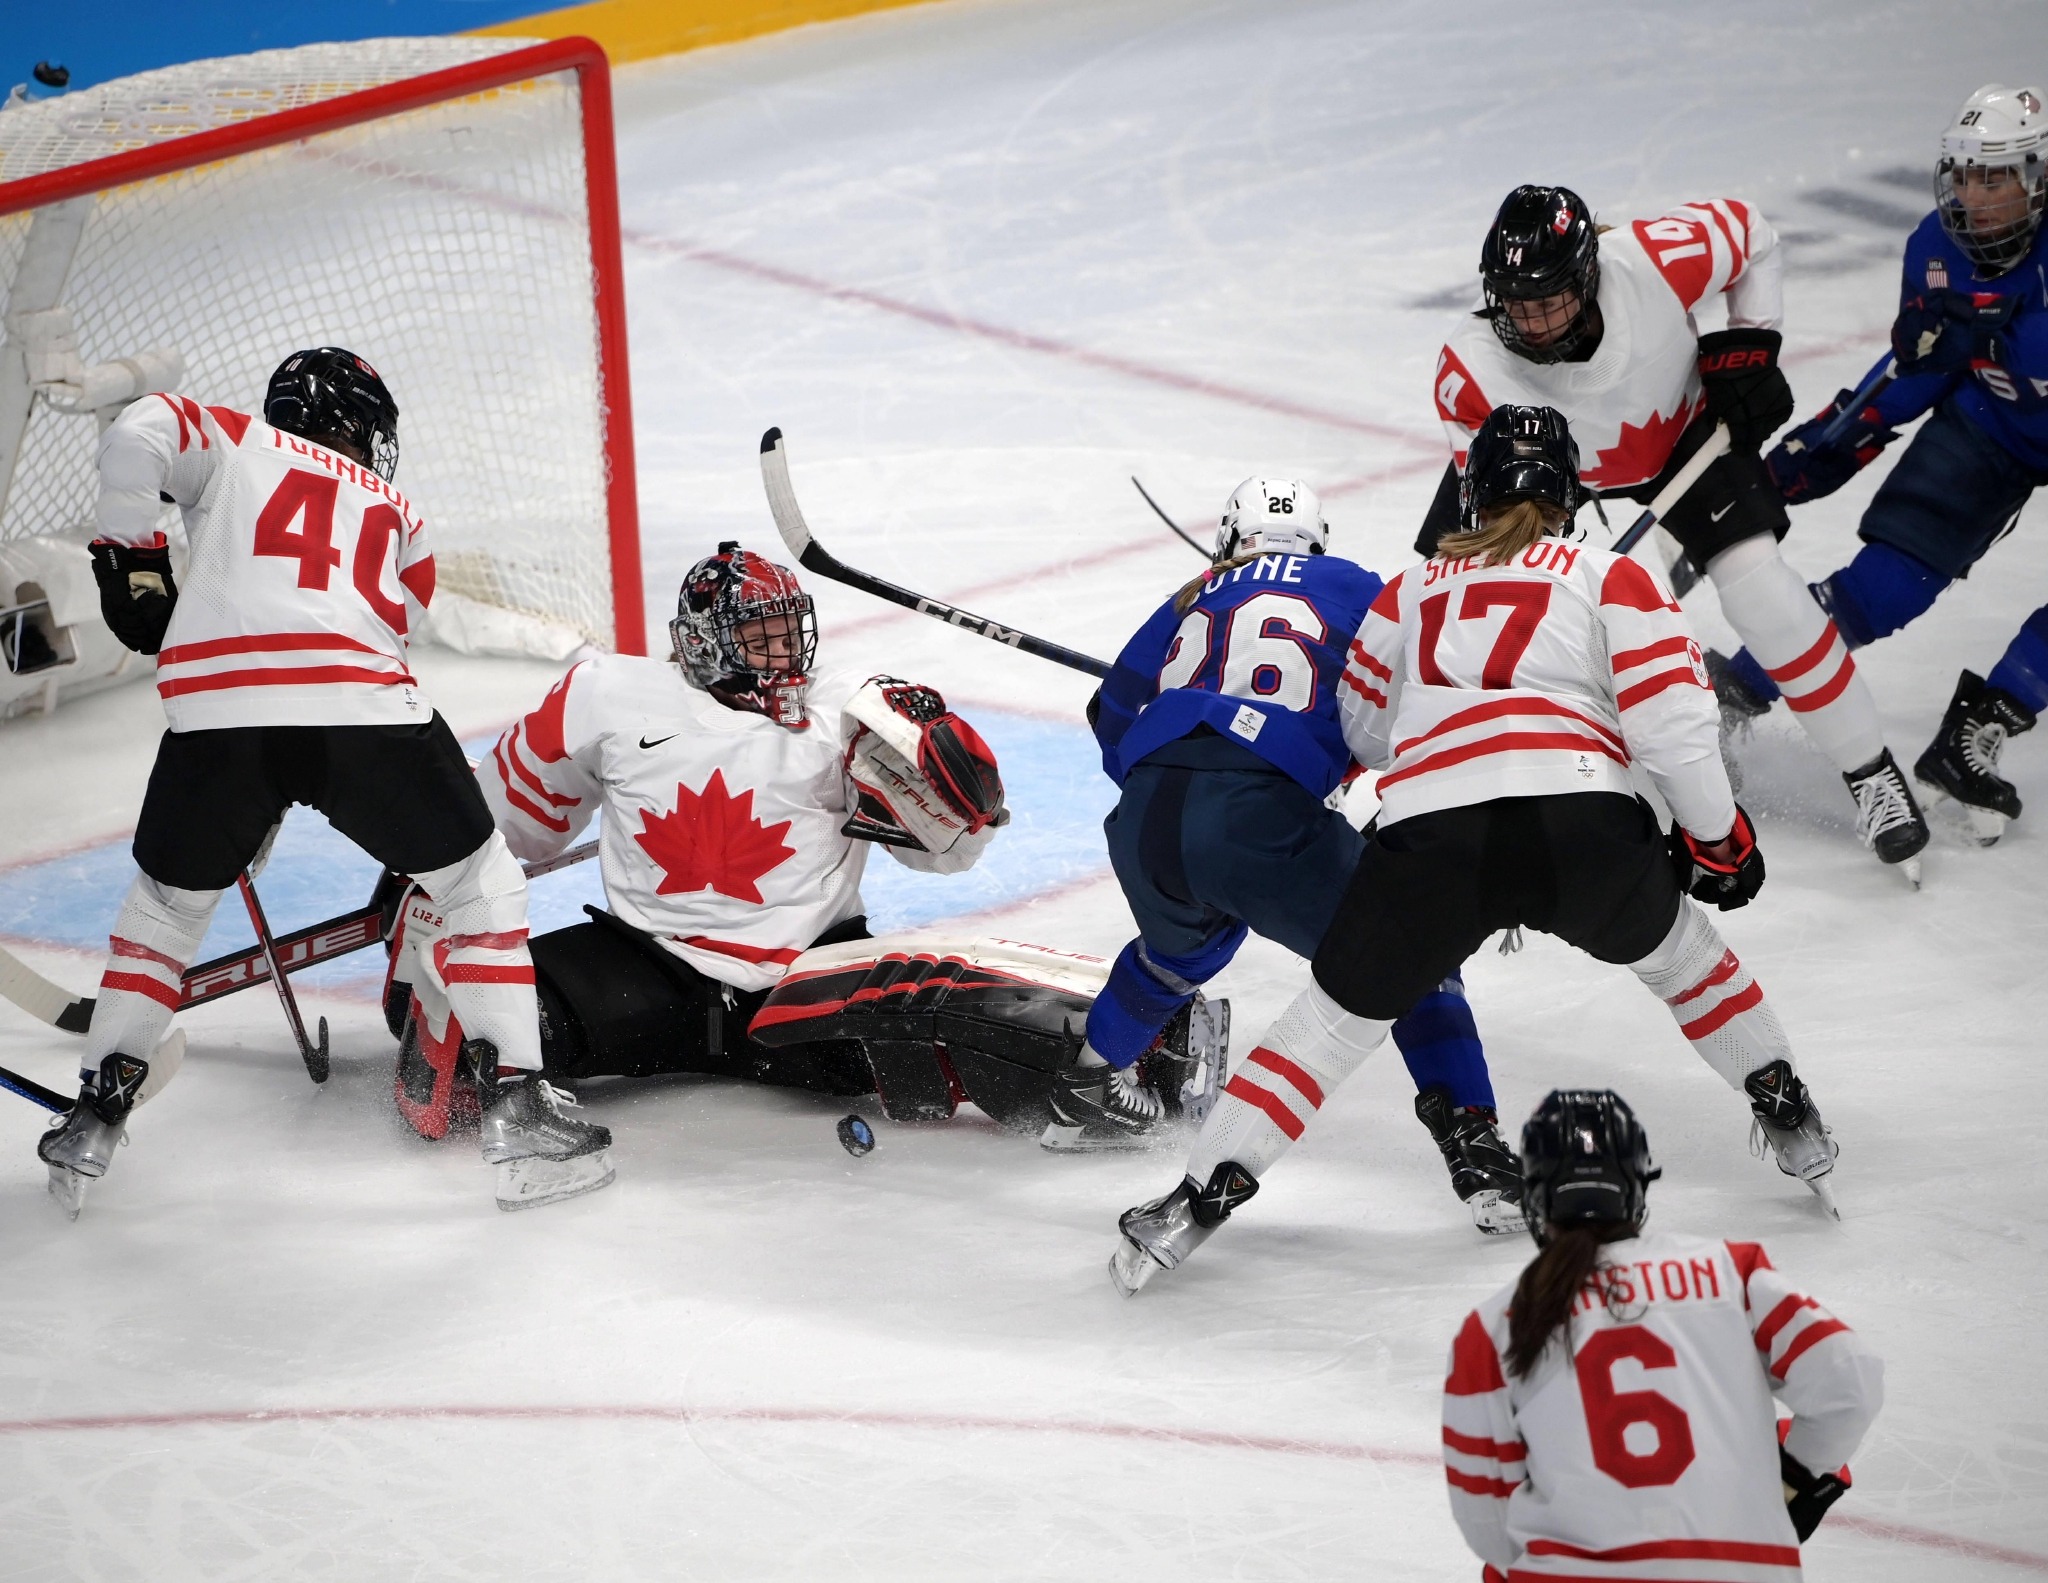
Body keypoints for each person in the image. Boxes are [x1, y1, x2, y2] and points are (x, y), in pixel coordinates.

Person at [1109, 405, 1842, 1296]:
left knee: (1328, 1028)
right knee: (1685, 958)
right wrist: (1718, 839)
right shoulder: (1609, 574)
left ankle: (1194, 1201)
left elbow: (1368, 733)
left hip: (1434, 837)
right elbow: (1675, 727)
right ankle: (1788, 1112)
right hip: (1583, 827)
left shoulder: (1410, 590)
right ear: (1571, 494)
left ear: (1470, 489)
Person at [39, 347, 609, 1217]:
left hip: (218, 720)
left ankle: (95, 1113)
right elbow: (401, 618)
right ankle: (519, 1106)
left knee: (163, 910)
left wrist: (132, 556)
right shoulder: (396, 507)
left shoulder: (230, 440)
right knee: (476, 883)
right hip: (358, 708)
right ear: (362, 428)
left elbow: (137, 429)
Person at [390, 542, 1214, 1142]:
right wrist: (430, 879)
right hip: (644, 969)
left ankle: (1150, 1039)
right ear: (707, 640)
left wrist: (960, 784)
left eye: (791, 632)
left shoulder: (845, 716)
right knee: (478, 1041)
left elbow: (948, 853)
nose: (788, 654)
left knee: (946, 1001)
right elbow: (511, 820)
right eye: (763, 637)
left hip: (802, 978)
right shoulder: (604, 694)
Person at [1420, 184, 1929, 878]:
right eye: (1514, 302)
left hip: (1689, 437)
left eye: (1549, 301)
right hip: (1551, 473)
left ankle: (1869, 769)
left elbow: (1751, 234)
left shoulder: (1651, 262)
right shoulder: (1470, 370)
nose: (1531, 324)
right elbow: (1493, 507)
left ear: (1588, 276)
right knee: (1465, 608)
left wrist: (1753, 348)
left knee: (1762, 594)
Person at [1084, 478, 1523, 1232]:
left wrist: (1188, 748)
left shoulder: (1195, 592)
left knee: (1180, 951)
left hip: (1145, 819)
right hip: (1254, 811)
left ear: (1230, 537)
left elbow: (1110, 714)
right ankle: (1476, 1150)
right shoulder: (1355, 586)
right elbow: (1412, 697)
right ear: (1318, 539)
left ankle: (1088, 1084)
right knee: (1413, 949)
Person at [1719, 84, 2048, 848]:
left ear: (2037, 178)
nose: (1973, 195)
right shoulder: (1935, 249)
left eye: (1994, 177)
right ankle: (1733, 687)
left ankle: (1979, 729)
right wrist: (1814, 453)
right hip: (1991, 425)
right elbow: (1916, 369)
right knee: (1884, 588)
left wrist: (2003, 334)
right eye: (1964, 174)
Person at [1442, 1089, 1883, 1582]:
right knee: (1785, 1451)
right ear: (1639, 1184)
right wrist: (1786, 1484)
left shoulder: (1492, 1325)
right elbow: (1849, 1384)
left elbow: (1488, 1527)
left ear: (1535, 1197)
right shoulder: (1731, 1273)